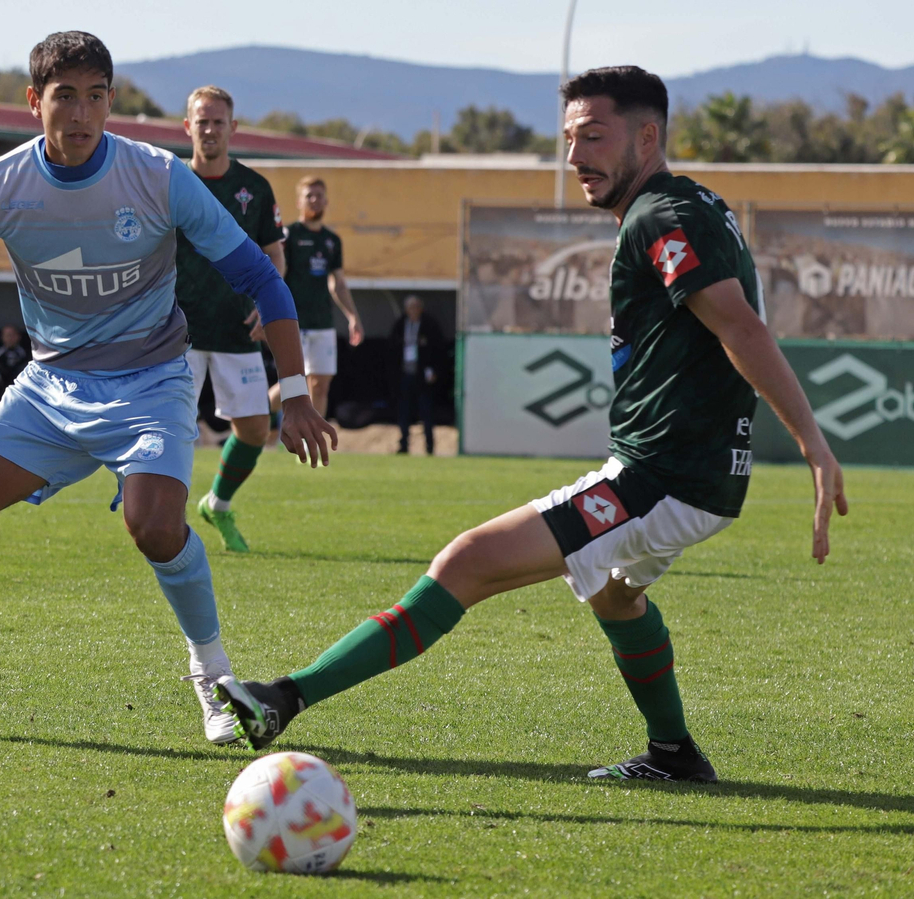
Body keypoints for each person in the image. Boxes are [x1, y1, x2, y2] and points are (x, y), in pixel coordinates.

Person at [216, 66, 849, 784]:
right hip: (685, 475)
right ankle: (674, 752)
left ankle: (282, 698)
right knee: (616, 595)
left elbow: (740, 326)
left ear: (647, 136)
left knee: (465, 563)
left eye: (594, 137)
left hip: (662, 477)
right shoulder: (688, 205)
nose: (575, 155)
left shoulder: (660, 216)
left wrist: (813, 443)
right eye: (569, 137)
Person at [0, 31, 336, 741]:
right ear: (33, 101)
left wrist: (296, 392)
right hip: (50, 385)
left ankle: (215, 680)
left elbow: (259, 274)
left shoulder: (158, 176)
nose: (80, 113)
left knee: (156, 525)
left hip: (152, 381)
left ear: (112, 103)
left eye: (95, 97)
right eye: (64, 96)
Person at [176, 85, 287, 554]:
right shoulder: (169, 181)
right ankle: (161, 520)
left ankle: (218, 504)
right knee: (167, 431)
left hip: (236, 329)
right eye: (202, 121)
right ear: (188, 127)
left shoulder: (255, 189)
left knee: (255, 431)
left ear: (233, 127)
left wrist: (268, 304)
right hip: (175, 331)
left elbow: (275, 257)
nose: (210, 129)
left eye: (218, 121)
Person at [280, 176, 364, 418]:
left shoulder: (332, 240)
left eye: (319, 196)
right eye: (309, 196)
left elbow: (337, 283)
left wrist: (353, 316)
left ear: (326, 201)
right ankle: (254, 418)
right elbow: (278, 276)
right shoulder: (289, 235)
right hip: (294, 323)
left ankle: (312, 444)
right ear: (299, 202)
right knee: (293, 387)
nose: (315, 200)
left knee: (321, 385)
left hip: (323, 323)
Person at [390, 295, 447, 455]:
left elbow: (438, 350)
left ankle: (429, 446)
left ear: (421, 308)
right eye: (410, 308)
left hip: (423, 375)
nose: (413, 311)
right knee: (404, 411)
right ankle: (403, 444)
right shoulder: (401, 325)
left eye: (416, 307)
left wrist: (434, 370)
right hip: (405, 374)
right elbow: (393, 350)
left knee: (426, 411)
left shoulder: (429, 325)